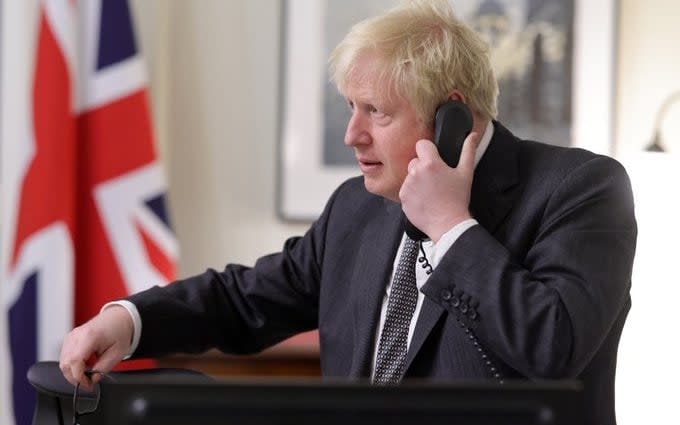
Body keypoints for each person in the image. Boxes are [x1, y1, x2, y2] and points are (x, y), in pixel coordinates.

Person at [59, 1, 636, 425]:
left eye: (375, 112)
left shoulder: (582, 189)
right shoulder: (357, 207)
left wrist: (451, 228)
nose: (351, 135)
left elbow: (553, 346)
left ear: (451, 117)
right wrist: (130, 321)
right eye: (349, 109)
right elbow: (246, 299)